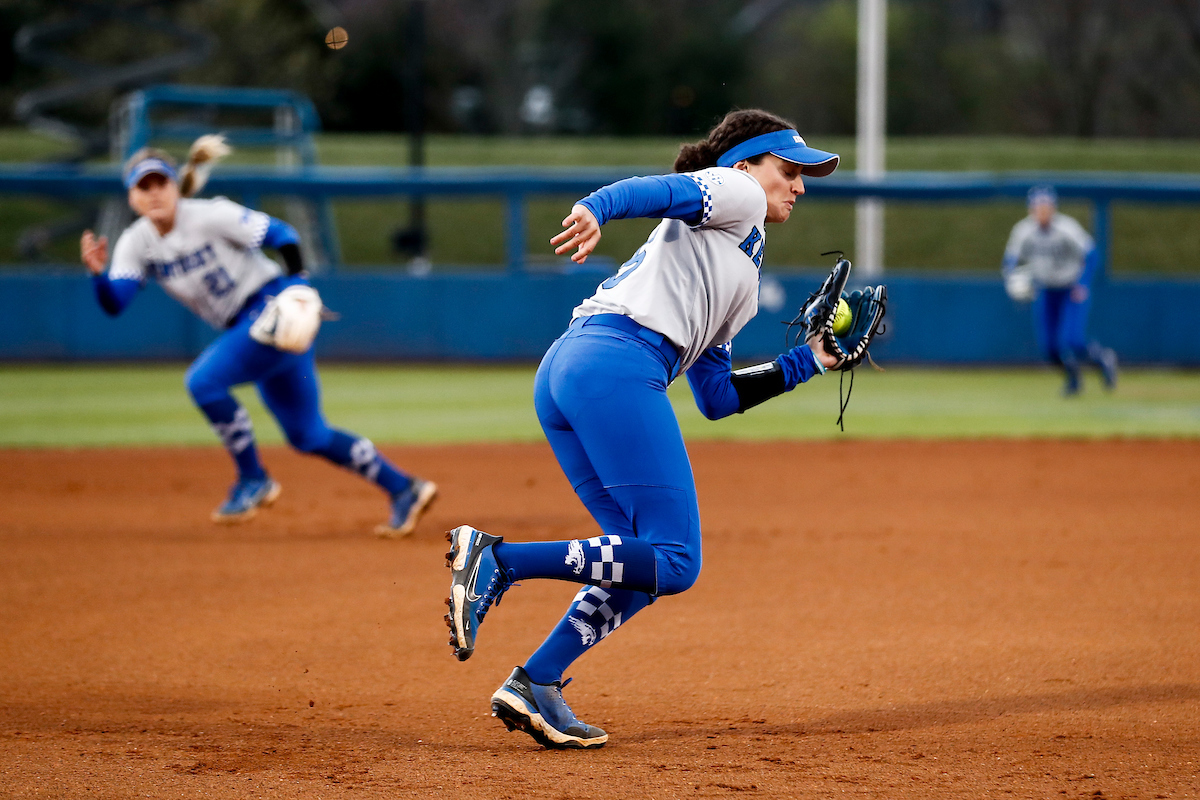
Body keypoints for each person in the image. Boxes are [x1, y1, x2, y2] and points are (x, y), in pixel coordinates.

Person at [443, 109, 842, 749]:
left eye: (803, 176)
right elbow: (658, 190)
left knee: (644, 561)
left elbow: (716, 397)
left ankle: (537, 683)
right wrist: (599, 208)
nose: (799, 185)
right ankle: (500, 559)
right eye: (789, 170)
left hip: (573, 368)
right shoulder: (735, 192)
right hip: (616, 364)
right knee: (678, 559)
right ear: (745, 167)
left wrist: (811, 361)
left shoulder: (739, 275)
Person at [80, 135, 438, 535]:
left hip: (273, 309)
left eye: (159, 182)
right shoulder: (136, 242)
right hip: (247, 327)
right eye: (142, 187)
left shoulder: (209, 215)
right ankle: (404, 487)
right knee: (308, 435)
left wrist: (297, 285)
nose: (153, 193)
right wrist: (98, 275)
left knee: (204, 382)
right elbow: (116, 302)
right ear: (131, 197)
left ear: (175, 186)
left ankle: (253, 478)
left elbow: (282, 234)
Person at [1002, 186, 1119, 395]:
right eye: (1038, 207)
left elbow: (1092, 255)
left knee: (1072, 340)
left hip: (1070, 288)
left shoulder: (1067, 227)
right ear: (1031, 209)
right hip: (1046, 290)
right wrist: (1011, 277)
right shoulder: (1023, 230)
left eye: (1046, 207)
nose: (1042, 211)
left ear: (1053, 208)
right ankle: (1073, 378)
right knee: (1049, 348)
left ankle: (1102, 359)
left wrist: (1083, 283)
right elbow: (1010, 259)